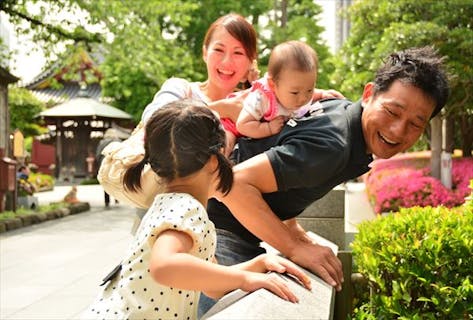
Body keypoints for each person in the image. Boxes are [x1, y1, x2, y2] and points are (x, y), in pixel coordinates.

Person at [199, 46, 449, 313]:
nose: (398, 130)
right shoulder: (335, 145)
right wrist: (293, 247)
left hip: (233, 228)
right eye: (392, 111)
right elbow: (233, 185)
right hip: (220, 231)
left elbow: (278, 154)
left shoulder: (343, 117)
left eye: (415, 124)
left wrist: (291, 227)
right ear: (368, 95)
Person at [82, 100, 311, 319]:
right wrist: (243, 279)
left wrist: (257, 266)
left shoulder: (169, 204)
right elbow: (164, 266)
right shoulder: (187, 208)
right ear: (214, 159)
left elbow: (212, 286)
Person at [236, 40, 319, 139]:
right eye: (295, 93)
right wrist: (268, 128)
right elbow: (242, 125)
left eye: (310, 90)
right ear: (272, 85)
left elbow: (309, 93)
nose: (303, 98)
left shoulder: (297, 89)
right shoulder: (262, 99)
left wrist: (323, 95)